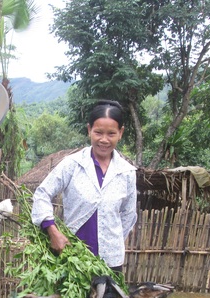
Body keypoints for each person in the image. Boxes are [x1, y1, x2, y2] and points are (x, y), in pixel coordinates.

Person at [31, 100, 137, 273]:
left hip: (110, 262)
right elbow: (42, 193)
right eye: (98, 132)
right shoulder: (72, 165)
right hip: (72, 255)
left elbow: (128, 214)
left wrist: (111, 241)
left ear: (121, 133)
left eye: (111, 133)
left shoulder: (126, 172)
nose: (104, 139)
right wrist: (53, 231)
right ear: (89, 130)